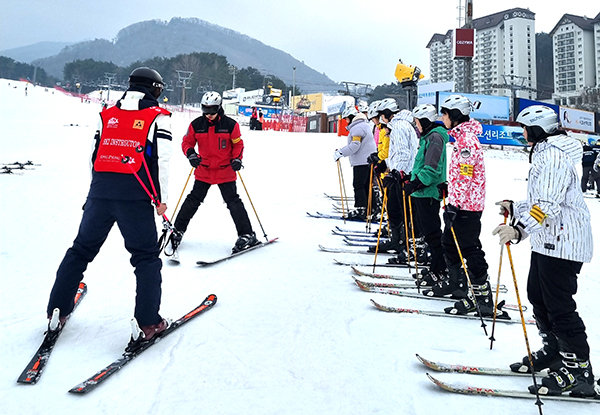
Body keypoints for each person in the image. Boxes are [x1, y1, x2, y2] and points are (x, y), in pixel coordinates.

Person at [46, 67, 173, 348]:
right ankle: (148, 322)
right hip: (136, 198)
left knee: (80, 250)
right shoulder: (158, 117)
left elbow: (95, 155)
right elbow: (162, 161)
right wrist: (162, 201)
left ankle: (58, 309)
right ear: (154, 89)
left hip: (100, 194)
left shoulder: (108, 114)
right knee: (146, 258)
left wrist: (96, 190)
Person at [492, 105, 596, 397]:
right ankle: (555, 352)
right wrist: (517, 208)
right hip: (549, 240)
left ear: (537, 129)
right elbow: (543, 199)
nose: (522, 133)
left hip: (564, 242)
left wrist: (519, 229)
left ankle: (579, 371)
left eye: (525, 128)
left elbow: (548, 206)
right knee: (537, 295)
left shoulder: (552, 156)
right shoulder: (544, 153)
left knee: (559, 306)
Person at [424, 94, 495, 317]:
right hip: (460, 202)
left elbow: (466, 175)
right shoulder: (461, 138)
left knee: (469, 248)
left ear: (454, 116)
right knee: (449, 243)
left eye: (444, 114)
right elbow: (461, 174)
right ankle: (458, 284)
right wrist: (450, 187)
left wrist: (455, 205)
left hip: (467, 207)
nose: (442, 118)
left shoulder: (466, 141)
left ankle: (482, 296)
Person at [171, 91, 259, 254]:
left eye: (212, 111)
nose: (208, 114)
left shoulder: (230, 125)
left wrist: (237, 159)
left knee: (233, 202)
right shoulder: (196, 124)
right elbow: (187, 142)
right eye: (205, 110)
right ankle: (177, 230)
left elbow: (238, 144)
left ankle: (247, 234)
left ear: (219, 108)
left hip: (225, 170)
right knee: (193, 200)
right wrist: (190, 154)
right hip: (204, 170)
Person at [402, 104, 448, 283]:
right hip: (422, 192)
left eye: (417, 122)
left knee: (433, 234)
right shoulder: (428, 137)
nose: (416, 126)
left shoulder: (435, 138)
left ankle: (440, 269)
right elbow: (421, 164)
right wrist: (410, 178)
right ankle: (435, 267)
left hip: (428, 193)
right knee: (429, 234)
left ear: (425, 121)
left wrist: (416, 183)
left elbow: (432, 168)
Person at [370, 100, 419, 258]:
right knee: (395, 208)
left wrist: (397, 173)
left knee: (399, 209)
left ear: (386, 114)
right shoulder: (401, 125)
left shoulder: (398, 127)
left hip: (402, 176)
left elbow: (403, 153)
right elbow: (396, 153)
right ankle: (397, 239)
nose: (382, 120)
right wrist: (385, 165)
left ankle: (402, 242)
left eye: (382, 116)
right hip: (400, 173)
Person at [333, 106, 377, 220]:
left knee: (359, 185)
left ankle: (361, 209)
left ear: (351, 118)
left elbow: (355, 145)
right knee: (367, 185)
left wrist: (341, 153)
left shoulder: (357, 128)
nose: (346, 122)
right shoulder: (363, 125)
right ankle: (371, 208)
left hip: (362, 161)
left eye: (346, 119)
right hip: (367, 160)